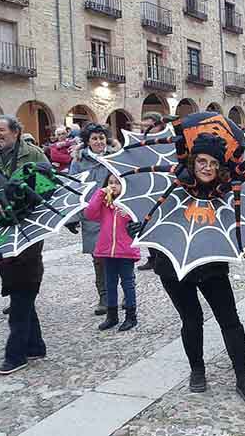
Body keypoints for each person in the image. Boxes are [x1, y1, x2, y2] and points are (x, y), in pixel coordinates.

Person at [135, 135, 245, 404]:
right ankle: (197, 370)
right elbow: (152, 216)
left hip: (212, 266)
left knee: (230, 321)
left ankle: (243, 378)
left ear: (219, 168)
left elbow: (239, 221)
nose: (207, 167)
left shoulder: (227, 192)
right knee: (191, 320)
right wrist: (139, 227)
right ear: (193, 163)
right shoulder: (173, 187)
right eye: (201, 161)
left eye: (213, 163)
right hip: (173, 268)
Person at [0, 115, 49, 375]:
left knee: (25, 283)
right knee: (11, 280)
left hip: (30, 225)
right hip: (2, 225)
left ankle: (15, 354)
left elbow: (48, 185)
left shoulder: (33, 154)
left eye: (2, 131)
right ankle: (36, 345)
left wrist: (25, 197)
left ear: (16, 132)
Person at [69, 123, 117, 316]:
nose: (99, 142)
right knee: (98, 259)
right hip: (92, 215)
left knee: (115, 256)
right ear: (87, 141)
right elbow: (72, 188)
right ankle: (104, 298)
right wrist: (72, 218)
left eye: (101, 138)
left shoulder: (114, 157)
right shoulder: (78, 162)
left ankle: (116, 294)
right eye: (94, 138)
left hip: (114, 214)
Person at [84, 174, 141, 331]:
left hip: (125, 251)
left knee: (128, 283)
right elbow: (89, 214)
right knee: (110, 283)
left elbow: (138, 222)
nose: (113, 186)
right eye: (110, 182)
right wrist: (100, 193)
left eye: (117, 183)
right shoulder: (104, 203)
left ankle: (131, 316)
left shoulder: (129, 204)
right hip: (107, 250)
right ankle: (112, 315)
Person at [138, 114, 167, 272]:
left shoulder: (168, 143)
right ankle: (153, 256)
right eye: (144, 126)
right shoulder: (141, 144)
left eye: (150, 126)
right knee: (147, 226)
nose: (146, 129)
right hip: (146, 190)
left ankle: (163, 256)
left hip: (163, 190)